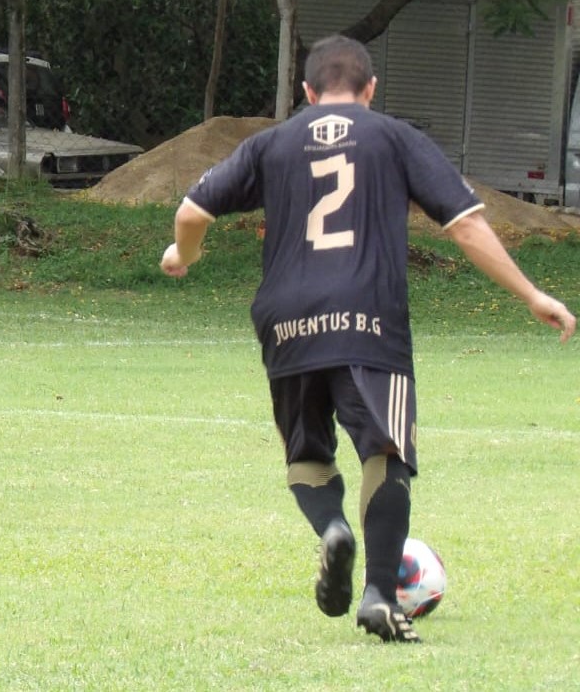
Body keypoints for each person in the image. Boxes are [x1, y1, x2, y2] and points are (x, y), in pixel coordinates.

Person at [160, 35, 574, 643]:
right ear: (371, 90)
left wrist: (183, 255)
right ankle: (380, 593)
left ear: (306, 92)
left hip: (287, 321)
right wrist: (532, 294)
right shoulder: (397, 138)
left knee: (306, 455)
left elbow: (193, 212)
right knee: (385, 453)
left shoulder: (271, 143)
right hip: (369, 318)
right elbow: (466, 226)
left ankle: (331, 527)